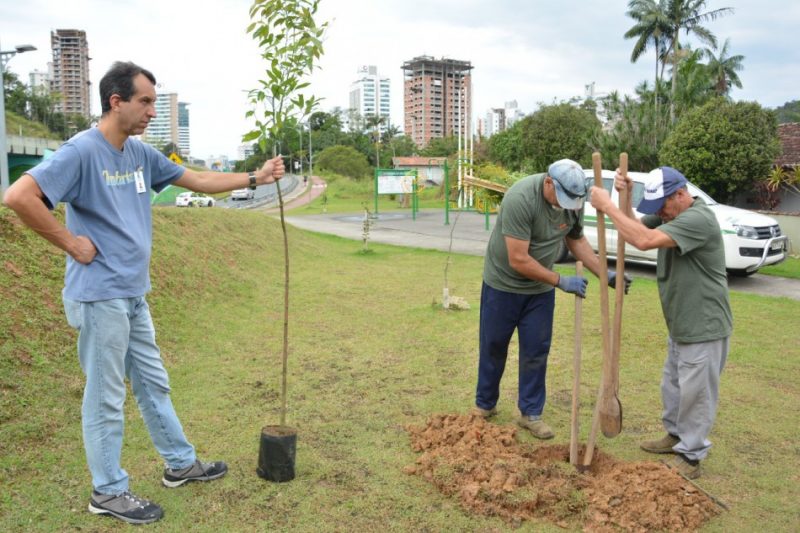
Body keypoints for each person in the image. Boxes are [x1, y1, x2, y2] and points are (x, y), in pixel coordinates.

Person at [2, 61, 285, 525]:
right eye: (146, 101)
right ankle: (108, 491)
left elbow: (197, 180)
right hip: (99, 296)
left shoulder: (138, 153)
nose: (153, 110)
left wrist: (254, 178)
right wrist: (71, 243)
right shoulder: (81, 151)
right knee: (106, 395)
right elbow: (18, 197)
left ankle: (180, 464)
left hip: (133, 294)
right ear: (117, 102)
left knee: (154, 383)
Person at [590, 166, 732, 480]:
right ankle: (675, 436)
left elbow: (642, 240)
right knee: (674, 385)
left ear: (680, 195)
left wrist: (608, 206)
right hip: (681, 322)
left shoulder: (698, 219)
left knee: (696, 394)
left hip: (703, 325)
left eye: (663, 207)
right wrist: (623, 198)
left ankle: (691, 457)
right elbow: (635, 225)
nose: (661, 215)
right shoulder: (673, 214)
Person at [475, 159, 630, 439]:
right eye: (562, 198)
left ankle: (530, 413)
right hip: (503, 285)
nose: (566, 205)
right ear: (548, 182)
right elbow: (518, 259)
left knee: (536, 350)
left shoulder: (574, 201)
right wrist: (560, 280)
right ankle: (485, 405)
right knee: (494, 345)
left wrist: (604, 274)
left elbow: (576, 240)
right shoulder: (520, 198)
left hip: (539, 292)